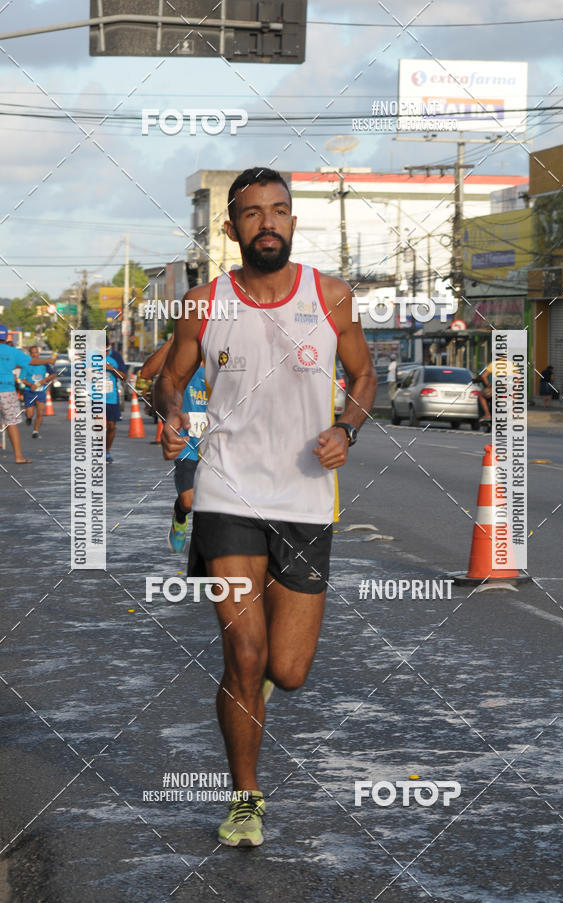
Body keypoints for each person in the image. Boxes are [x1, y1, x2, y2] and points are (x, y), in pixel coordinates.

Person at [155, 167, 377, 848]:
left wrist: (348, 427)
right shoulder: (203, 303)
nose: (268, 223)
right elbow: (170, 381)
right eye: (253, 214)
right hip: (227, 492)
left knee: (289, 669)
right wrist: (170, 418)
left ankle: (255, 693)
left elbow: (364, 374)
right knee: (244, 653)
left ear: (292, 220)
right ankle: (245, 795)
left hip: (306, 496)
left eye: (279, 210)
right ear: (231, 229)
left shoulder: (330, 295)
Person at [138, 336, 208, 551]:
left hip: (221, 444)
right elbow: (147, 373)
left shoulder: (227, 358)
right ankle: (179, 516)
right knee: (188, 501)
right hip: (188, 441)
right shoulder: (183, 358)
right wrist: (174, 339)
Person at [0, 326, 55, 463]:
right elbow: (31, 361)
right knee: (11, 423)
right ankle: (18, 457)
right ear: (6, 337)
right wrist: (47, 361)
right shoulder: (13, 352)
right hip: (7, 390)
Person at [21, 345, 55, 438]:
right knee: (30, 414)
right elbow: (22, 379)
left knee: (40, 412)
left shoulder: (44, 364)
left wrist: (46, 379)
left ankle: (35, 431)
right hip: (29, 391)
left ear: (38, 353)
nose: (35, 354)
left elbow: (53, 374)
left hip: (41, 391)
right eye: (33, 353)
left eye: (36, 352)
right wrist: (30, 385)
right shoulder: (26, 364)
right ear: (30, 354)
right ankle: (28, 417)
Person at [105, 341, 127, 463]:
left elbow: (124, 377)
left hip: (111, 397)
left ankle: (106, 452)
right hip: (95, 397)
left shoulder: (115, 356)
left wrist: (112, 369)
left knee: (111, 426)